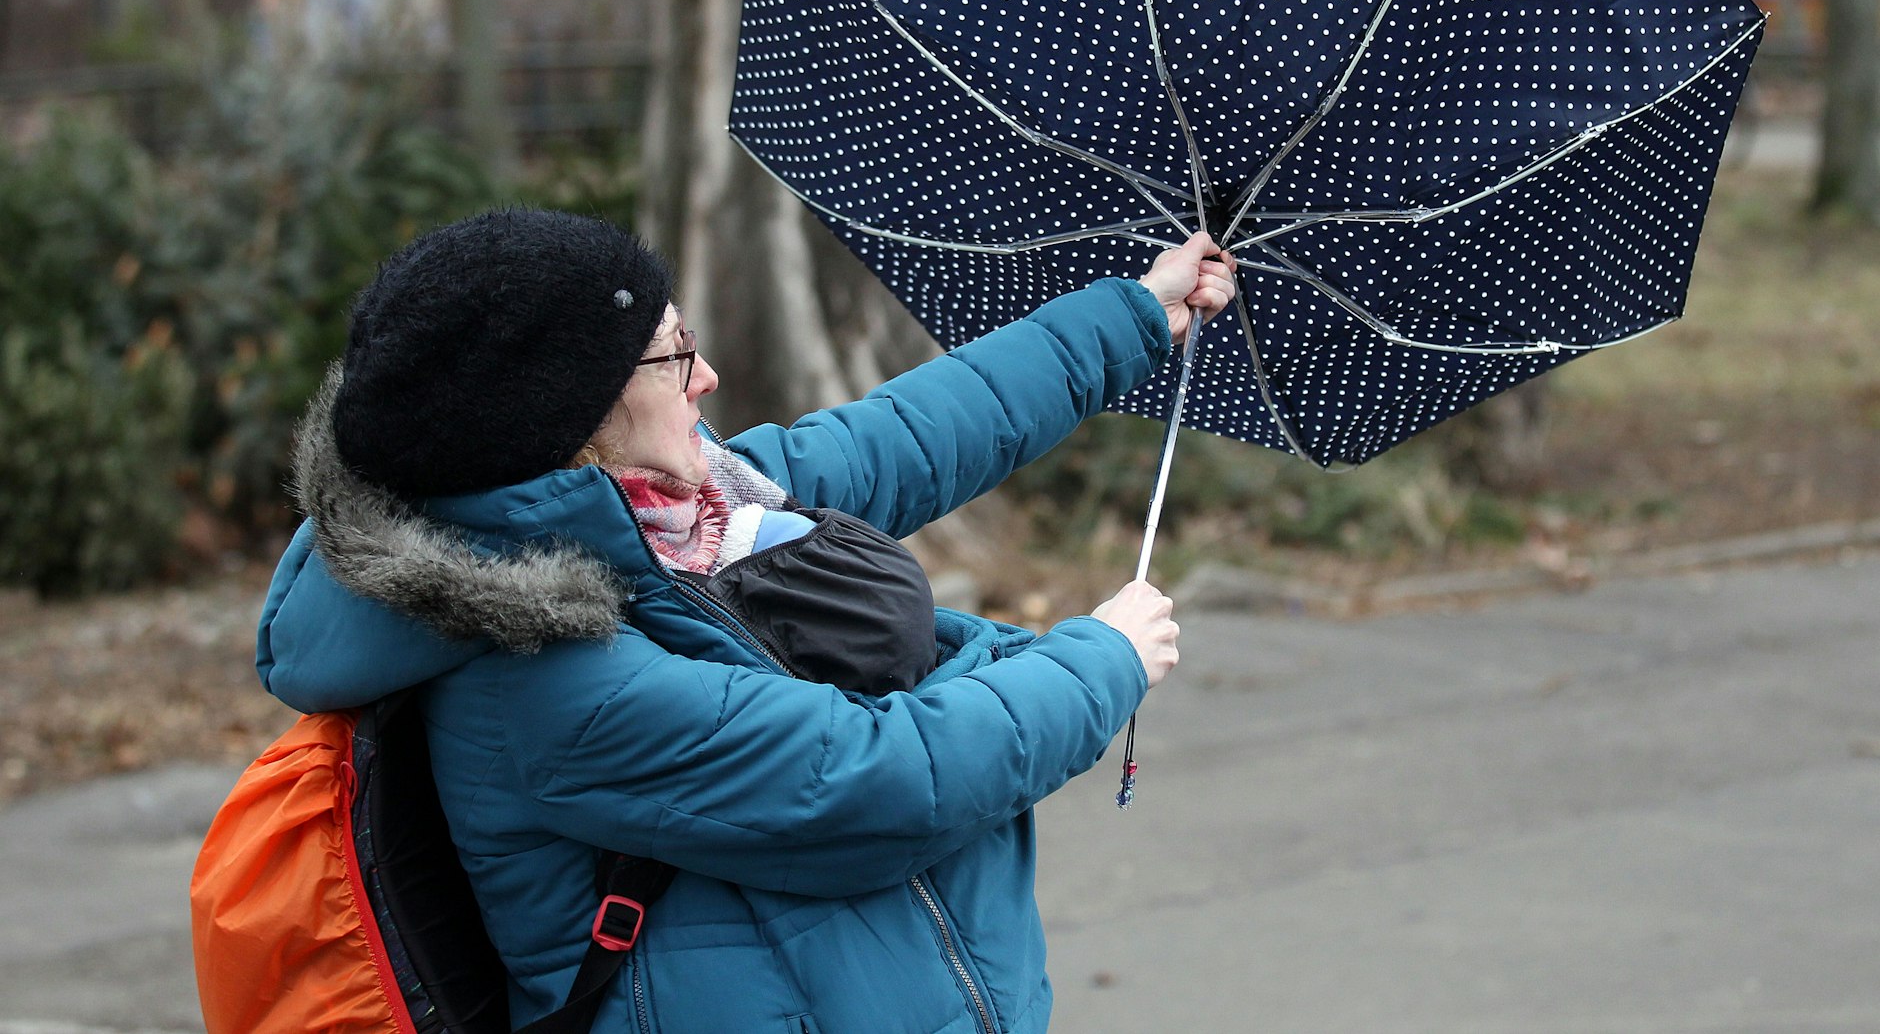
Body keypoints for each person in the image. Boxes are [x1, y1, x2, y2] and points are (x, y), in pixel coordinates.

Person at [257, 208, 1235, 1033]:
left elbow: (902, 437)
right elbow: (879, 781)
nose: (707, 376)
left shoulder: (665, 513)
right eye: (672, 353)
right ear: (569, 420)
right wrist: (1101, 660)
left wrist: (1136, 313)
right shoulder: (542, 678)